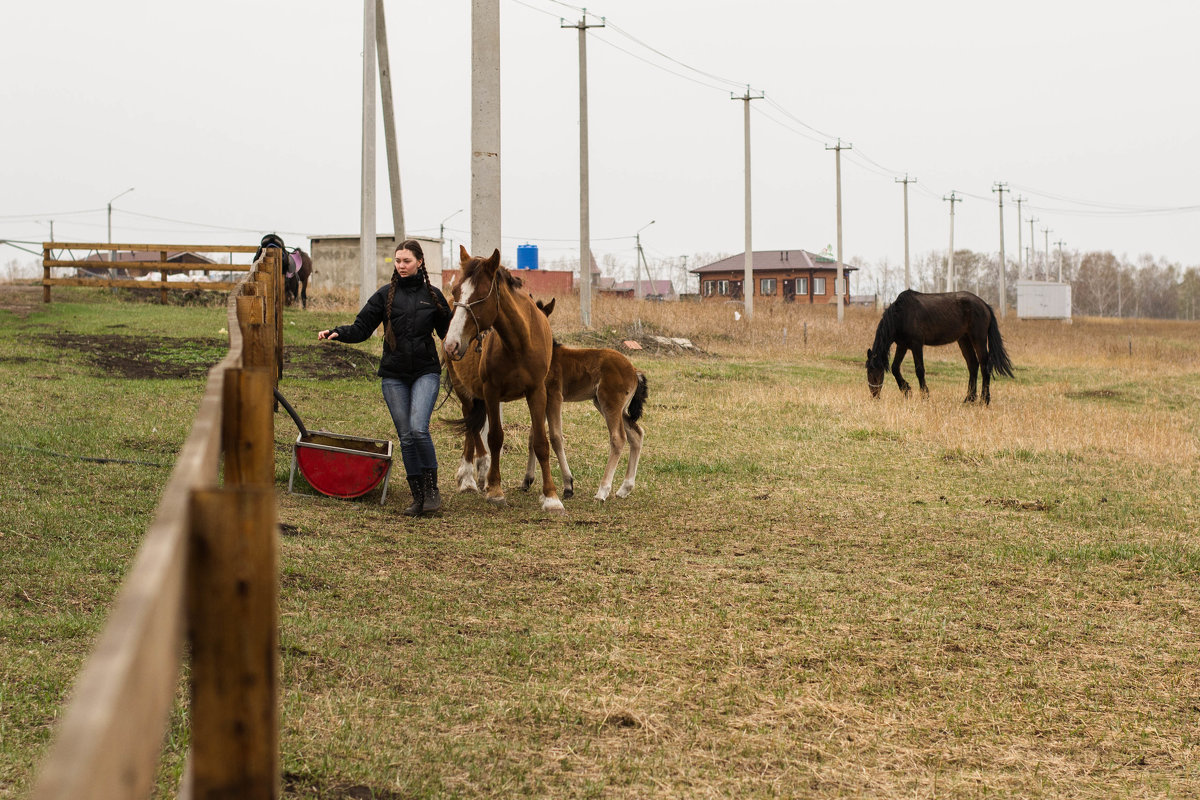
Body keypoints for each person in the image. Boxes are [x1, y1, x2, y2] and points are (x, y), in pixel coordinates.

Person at [318, 240, 452, 516]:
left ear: (420, 262)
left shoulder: (434, 296)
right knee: (406, 436)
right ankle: (418, 497)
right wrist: (338, 333)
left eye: (406, 261)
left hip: (426, 371)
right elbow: (361, 328)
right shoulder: (385, 295)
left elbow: (450, 334)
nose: (401, 266)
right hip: (394, 375)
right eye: (398, 261)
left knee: (418, 429)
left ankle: (432, 489)